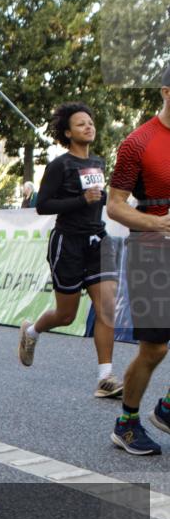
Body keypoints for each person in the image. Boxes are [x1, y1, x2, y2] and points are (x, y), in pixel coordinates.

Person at [17, 102, 124, 399]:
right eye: (80, 124)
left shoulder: (99, 164)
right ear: (67, 132)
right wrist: (81, 199)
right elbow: (43, 205)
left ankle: (105, 377)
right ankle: (31, 332)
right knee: (66, 314)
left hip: (97, 240)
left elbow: (99, 202)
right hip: (68, 243)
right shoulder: (59, 165)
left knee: (106, 307)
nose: (88, 126)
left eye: (90, 122)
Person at [104, 65, 170, 455]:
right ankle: (126, 423)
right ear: (165, 91)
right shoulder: (138, 143)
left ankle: (166, 408)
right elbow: (115, 206)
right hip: (151, 252)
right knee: (155, 349)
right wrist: (156, 223)